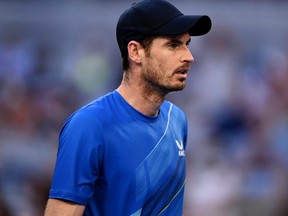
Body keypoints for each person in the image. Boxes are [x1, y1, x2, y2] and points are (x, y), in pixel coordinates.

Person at [44, 0, 211, 215]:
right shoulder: (89, 125)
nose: (188, 56)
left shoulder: (177, 119)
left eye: (187, 44)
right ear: (135, 52)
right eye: (173, 45)